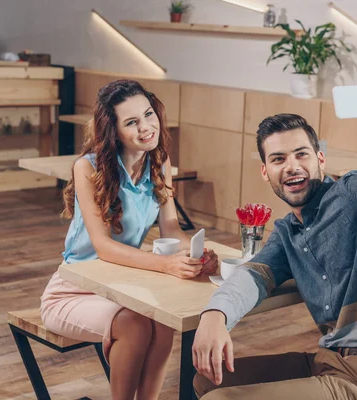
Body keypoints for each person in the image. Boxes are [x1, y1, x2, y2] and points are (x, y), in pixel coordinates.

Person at [191, 80, 357, 400]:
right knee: (207, 382)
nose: (291, 167)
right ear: (265, 172)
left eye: (301, 154)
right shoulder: (289, 233)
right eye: (278, 160)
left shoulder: (356, 194)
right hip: (330, 362)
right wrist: (214, 316)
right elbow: (252, 274)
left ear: (320, 159)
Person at [40, 80, 219, 400]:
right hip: (73, 290)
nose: (147, 127)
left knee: (163, 322)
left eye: (149, 115)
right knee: (136, 326)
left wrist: (197, 253)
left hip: (124, 286)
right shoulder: (88, 168)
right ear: (114, 131)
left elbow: (171, 229)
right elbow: (103, 246)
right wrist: (165, 265)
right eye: (132, 122)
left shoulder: (159, 163)